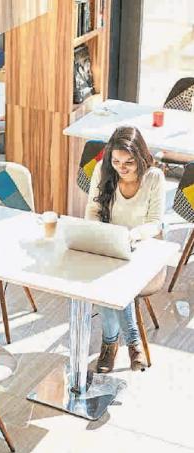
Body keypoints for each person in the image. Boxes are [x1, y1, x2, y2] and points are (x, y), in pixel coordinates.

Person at [85, 125, 166, 372]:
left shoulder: (154, 177)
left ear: (140, 157)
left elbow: (155, 223)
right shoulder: (102, 170)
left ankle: (112, 343)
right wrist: (101, 233)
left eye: (129, 162)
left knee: (115, 279)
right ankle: (132, 344)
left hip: (141, 247)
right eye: (116, 161)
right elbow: (92, 211)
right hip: (109, 245)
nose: (122, 168)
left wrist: (132, 235)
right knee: (109, 274)